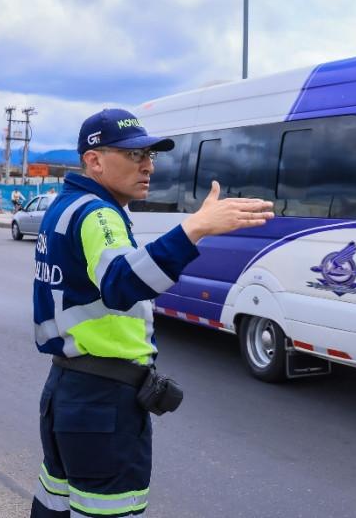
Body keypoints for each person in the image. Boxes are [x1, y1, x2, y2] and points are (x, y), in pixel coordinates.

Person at [29, 109, 274, 517]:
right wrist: (194, 229)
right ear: (94, 160)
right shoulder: (99, 214)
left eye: (150, 155)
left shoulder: (65, 205)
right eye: (133, 155)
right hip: (102, 401)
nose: (148, 165)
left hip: (68, 390)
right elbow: (122, 282)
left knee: (56, 505)